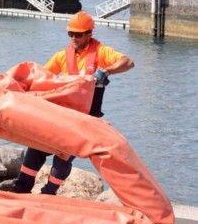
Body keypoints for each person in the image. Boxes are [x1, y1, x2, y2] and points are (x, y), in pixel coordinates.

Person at [11, 11, 135, 195]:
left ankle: (49, 192)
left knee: (64, 155)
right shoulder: (61, 56)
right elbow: (41, 76)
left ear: (89, 34)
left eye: (78, 34)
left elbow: (128, 62)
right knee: (37, 147)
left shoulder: (101, 52)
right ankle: (21, 188)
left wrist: (106, 71)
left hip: (83, 119)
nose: (74, 38)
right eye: (71, 34)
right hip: (60, 115)